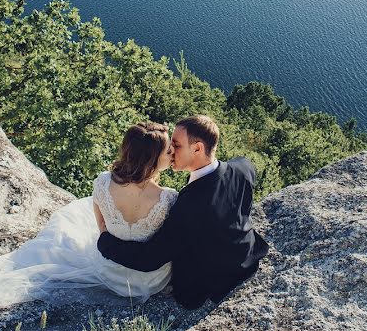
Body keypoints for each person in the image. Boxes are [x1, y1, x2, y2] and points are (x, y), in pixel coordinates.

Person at [0, 122, 177, 312]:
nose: (172, 154)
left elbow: (102, 227)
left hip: (109, 270)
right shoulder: (167, 198)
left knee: (68, 231)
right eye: (168, 152)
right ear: (152, 159)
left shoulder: (103, 182)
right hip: (147, 282)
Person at [97, 115, 269, 309]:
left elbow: (149, 259)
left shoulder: (188, 206)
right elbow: (248, 179)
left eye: (176, 145)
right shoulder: (242, 167)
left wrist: (105, 242)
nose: (170, 151)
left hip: (210, 280)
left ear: (197, 148)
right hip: (247, 252)